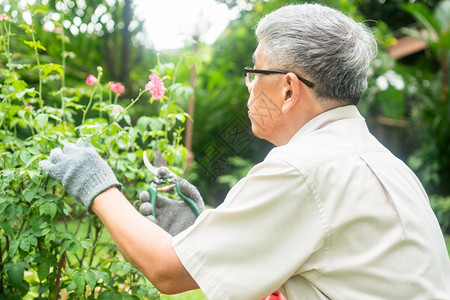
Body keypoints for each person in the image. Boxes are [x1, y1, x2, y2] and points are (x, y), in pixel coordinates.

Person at [39, 3, 450, 300]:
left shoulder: (301, 169)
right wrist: (201, 229)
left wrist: (96, 185)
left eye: (255, 72)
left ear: (288, 89)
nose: (248, 85)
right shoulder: (385, 164)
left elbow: (165, 271)